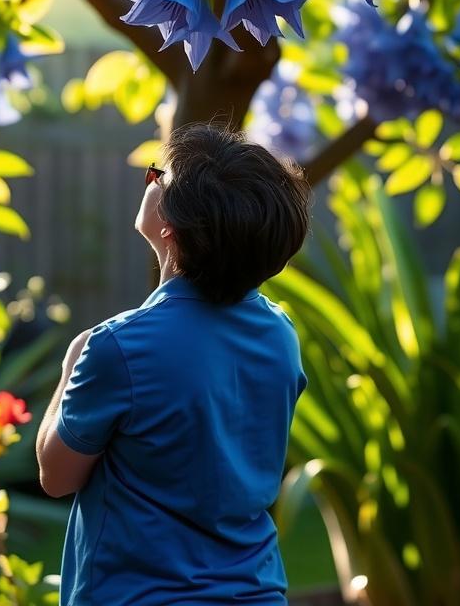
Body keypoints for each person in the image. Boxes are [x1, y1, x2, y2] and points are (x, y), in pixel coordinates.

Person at [35, 122, 311, 606]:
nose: (150, 178)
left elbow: (56, 476)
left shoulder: (116, 348)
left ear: (171, 229)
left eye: (157, 176)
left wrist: (71, 363)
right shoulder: (279, 335)